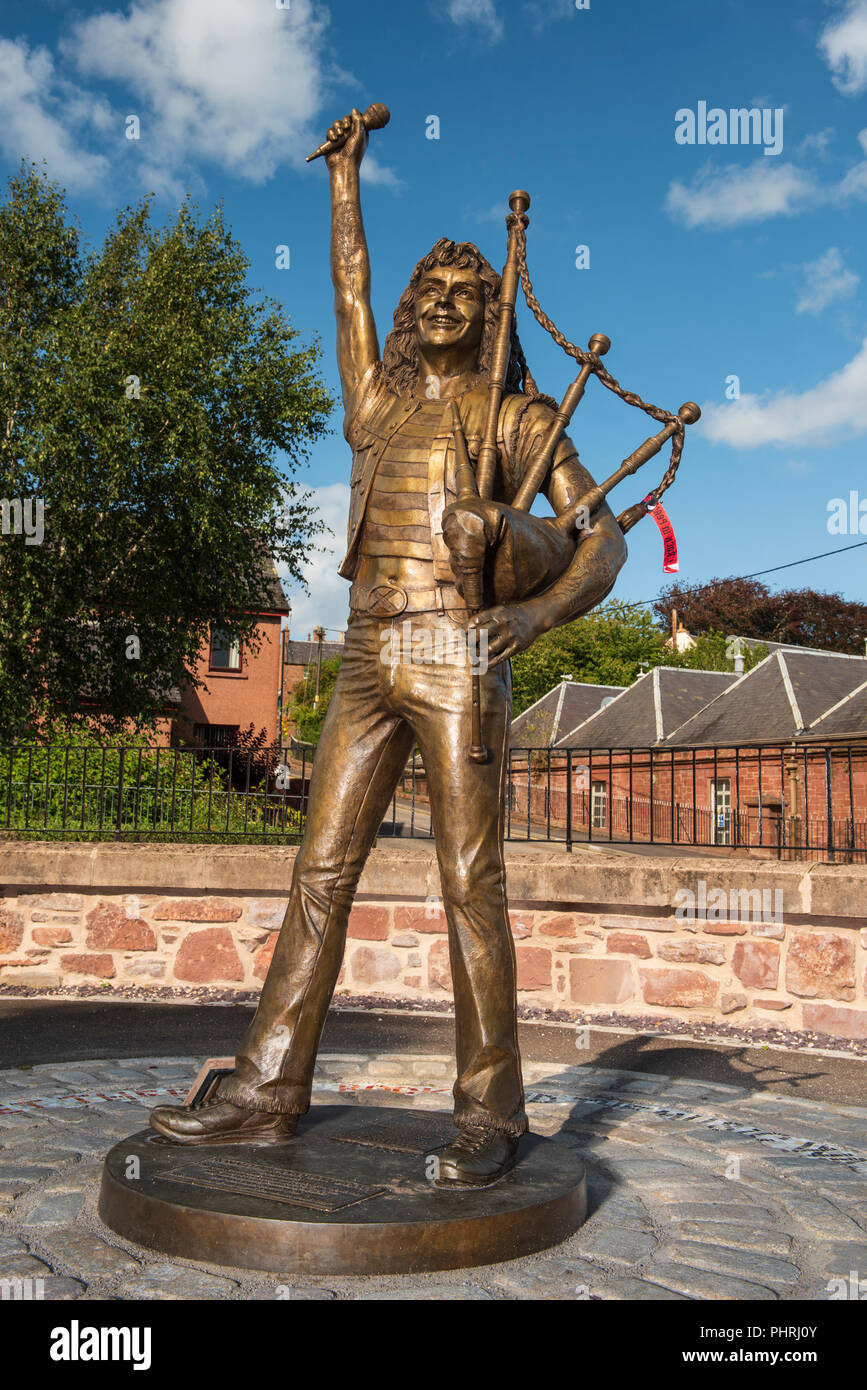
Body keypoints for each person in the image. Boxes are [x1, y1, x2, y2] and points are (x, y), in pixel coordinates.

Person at [150, 109, 627, 1186]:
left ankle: (489, 1110)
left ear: (489, 311)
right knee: (318, 871)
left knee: (470, 879)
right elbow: (348, 288)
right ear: (417, 308)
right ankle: (269, 1088)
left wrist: (529, 615)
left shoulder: (524, 422)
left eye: (468, 292)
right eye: (433, 291)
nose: (447, 303)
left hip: (461, 652)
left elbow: (605, 544)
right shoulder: (376, 401)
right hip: (366, 647)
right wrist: (344, 180)